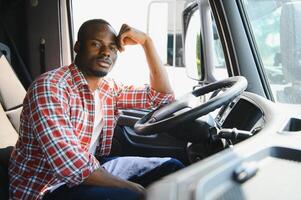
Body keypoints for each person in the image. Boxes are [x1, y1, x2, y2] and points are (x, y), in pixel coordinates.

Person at [8, 19, 184, 200]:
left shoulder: (108, 88)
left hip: (91, 168)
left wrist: (146, 42)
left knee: (173, 169)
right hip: (47, 187)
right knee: (131, 195)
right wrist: (134, 188)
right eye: (96, 44)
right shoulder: (50, 88)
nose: (106, 52)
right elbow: (72, 165)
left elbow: (161, 96)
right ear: (78, 46)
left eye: (112, 47)